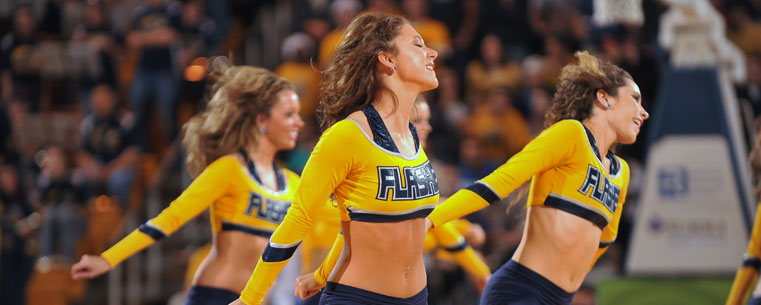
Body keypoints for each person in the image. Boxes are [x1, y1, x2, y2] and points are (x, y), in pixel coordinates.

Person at [230, 12, 440, 305]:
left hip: (418, 298)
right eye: (418, 45)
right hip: (358, 298)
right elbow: (297, 219)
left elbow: (360, 222)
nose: (433, 52)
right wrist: (249, 299)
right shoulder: (347, 135)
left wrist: (320, 274)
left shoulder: (412, 136)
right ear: (388, 60)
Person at [426, 50, 649, 305]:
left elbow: (604, 240)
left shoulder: (622, 171)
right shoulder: (571, 134)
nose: (644, 112)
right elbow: (500, 181)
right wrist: (431, 220)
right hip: (522, 290)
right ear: (604, 98)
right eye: (635, 99)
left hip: (560, 298)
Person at [70, 64, 305, 305]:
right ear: (261, 120)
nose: (299, 123)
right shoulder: (230, 169)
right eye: (289, 114)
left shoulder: (295, 184)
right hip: (214, 295)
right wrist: (107, 259)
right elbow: (170, 218)